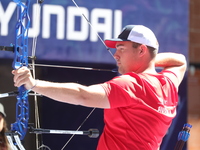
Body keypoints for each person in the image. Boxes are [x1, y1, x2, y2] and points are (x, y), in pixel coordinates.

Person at [12, 25, 187, 150]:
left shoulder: (132, 84)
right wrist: (148, 62)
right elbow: (180, 61)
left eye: (121, 49)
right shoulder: (169, 84)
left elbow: (83, 95)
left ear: (141, 50)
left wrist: (33, 84)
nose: (115, 55)